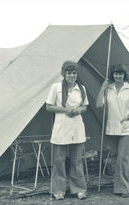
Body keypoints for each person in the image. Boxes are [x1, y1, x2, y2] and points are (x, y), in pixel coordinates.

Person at [96, 64, 129, 197]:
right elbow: (99, 104)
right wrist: (103, 88)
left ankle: (124, 188)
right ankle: (118, 186)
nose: (118, 76)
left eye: (121, 74)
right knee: (115, 158)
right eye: (116, 73)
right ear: (112, 75)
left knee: (122, 158)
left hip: (127, 128)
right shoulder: (109, 88)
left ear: (124, 75)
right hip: (112, 129)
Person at [46, 61, 88, 200]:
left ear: (77, 74)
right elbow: (49, 107)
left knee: (77, 160)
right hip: (61, 127)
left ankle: (79, 189)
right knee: (59, 160)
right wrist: (65, 110)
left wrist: (77, 110)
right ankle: (58, 190)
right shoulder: (56, 87)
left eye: (74, 73)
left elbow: (85, 107)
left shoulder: (81, 88)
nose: (71, 75)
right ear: (63, 74)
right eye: (69, 73)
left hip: (76, 127)